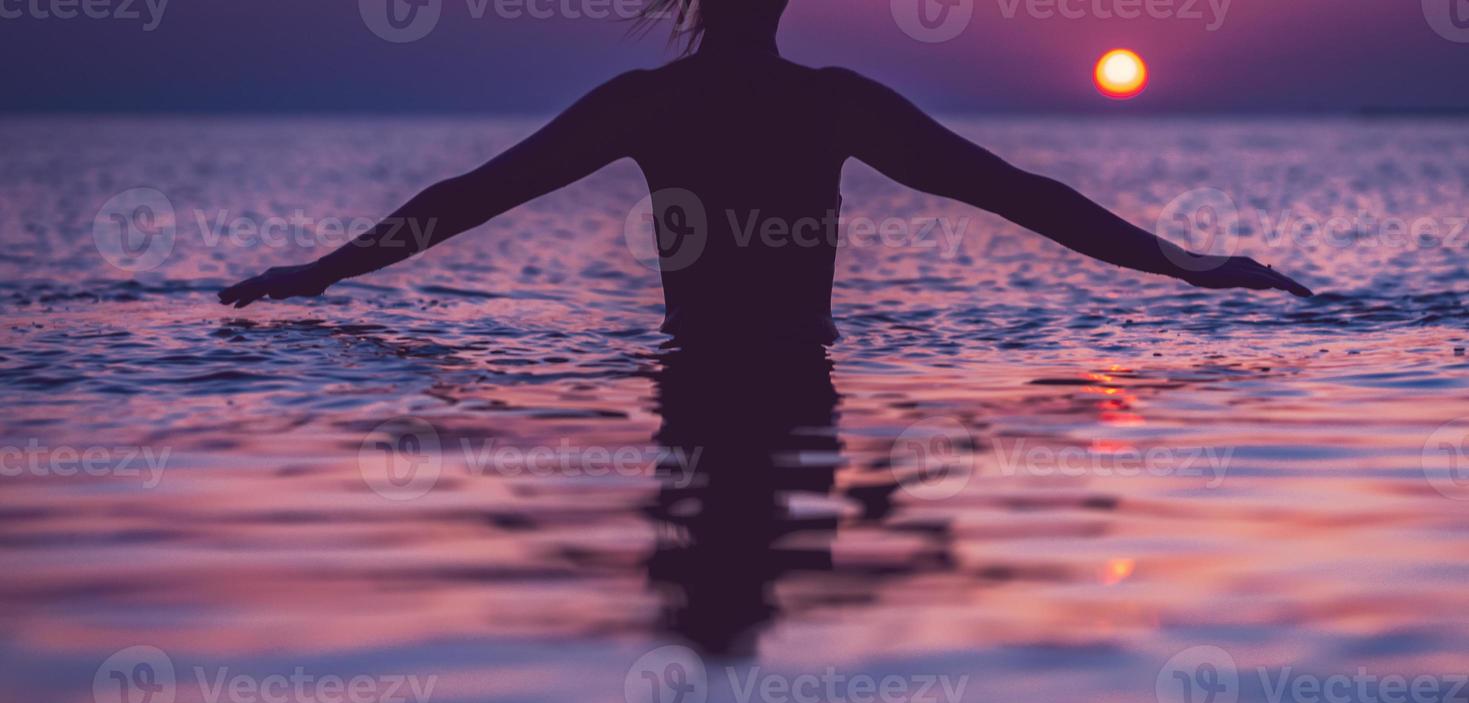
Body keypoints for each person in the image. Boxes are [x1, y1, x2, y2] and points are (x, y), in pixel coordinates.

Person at [219, 0, 1312, 343]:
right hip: (802, 376)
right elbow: (1021, 196)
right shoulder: (829, 101)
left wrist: (320, 276)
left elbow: (461, 202)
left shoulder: (649, 104)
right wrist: (1189, 267)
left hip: (689, 371)